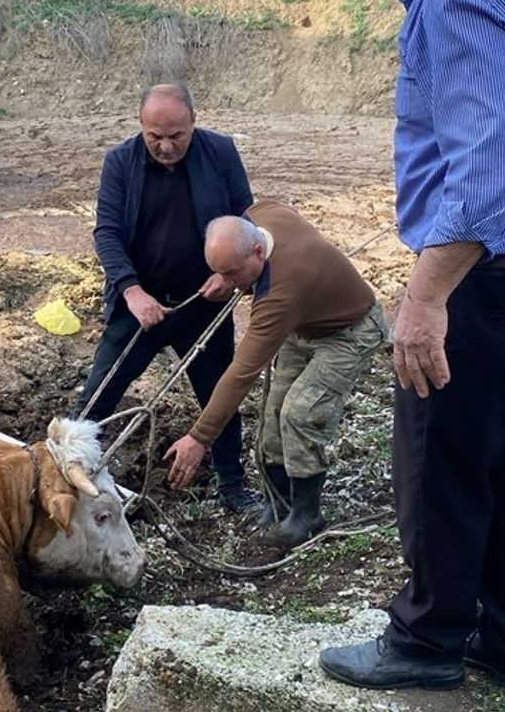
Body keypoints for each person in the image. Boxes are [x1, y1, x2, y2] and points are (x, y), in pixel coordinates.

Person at [318, 0, 505, 694]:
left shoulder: (456, 0)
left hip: (492, 279)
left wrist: (424, 297)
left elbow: (489, 169)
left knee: (439, 467)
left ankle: (428, 640)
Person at [71, 83, 262, 514]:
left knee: (220, 397)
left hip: (202, 303)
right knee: (97, 396)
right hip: (140, 307)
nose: (165, 145)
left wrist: (228, 277)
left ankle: (233, 486)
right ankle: (64, 475)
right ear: (141, 126)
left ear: (193, 123)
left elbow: (246, 218)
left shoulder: (220, 152)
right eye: (154, 136)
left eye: (176, 135)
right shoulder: (120, 161)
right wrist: (131, 290)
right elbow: (107, 233)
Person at [162, 203, 385, 546]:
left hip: (349, 331)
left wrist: (200, 437)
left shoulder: (280, 295)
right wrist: (230, 277)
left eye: (232, 273)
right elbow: (278, 210)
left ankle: (307, 515)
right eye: (220, 272)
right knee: (273, 415)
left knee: (300, 413)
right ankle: (278, 504)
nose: (228, 284)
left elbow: (242, 372)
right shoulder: (261, 214)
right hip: (304, 327)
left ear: (258, 251)